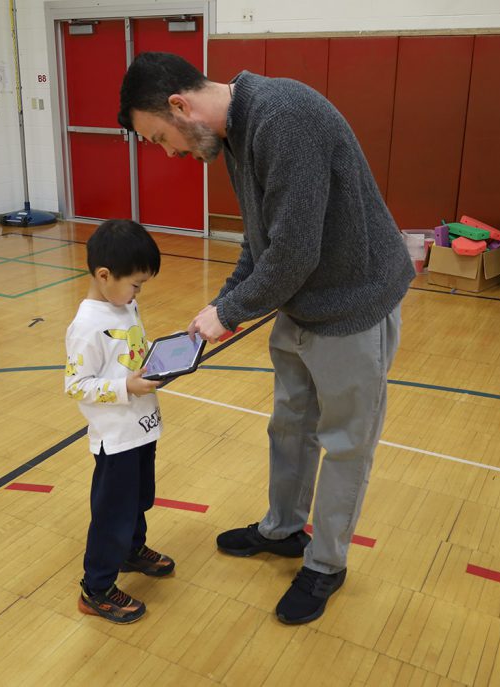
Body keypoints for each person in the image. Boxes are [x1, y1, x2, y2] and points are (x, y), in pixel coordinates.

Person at [119, 52, 414, 625]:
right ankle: (283, 530)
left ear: (180, 107)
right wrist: (221, 302)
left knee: (346, 443)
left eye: (159, 137)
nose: (169, 153)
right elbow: (262, 241)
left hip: (354, 306)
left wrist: (228, 313)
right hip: (301, 305)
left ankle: (326, 564)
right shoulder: (234, 135)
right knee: (291, 425)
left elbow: (295, 252)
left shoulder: (284, 118)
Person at [65, 219, 174, 624]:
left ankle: (132, 548)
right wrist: (126, 387)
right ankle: (96, 589)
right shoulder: (86, 326)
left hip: (141, 426)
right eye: (136, 284)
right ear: (104, 275)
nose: (137, 293)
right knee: (113, 512)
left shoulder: (125, 305)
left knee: (138, 498)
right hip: (115, 437)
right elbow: (77, 385)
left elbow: (131, 353)